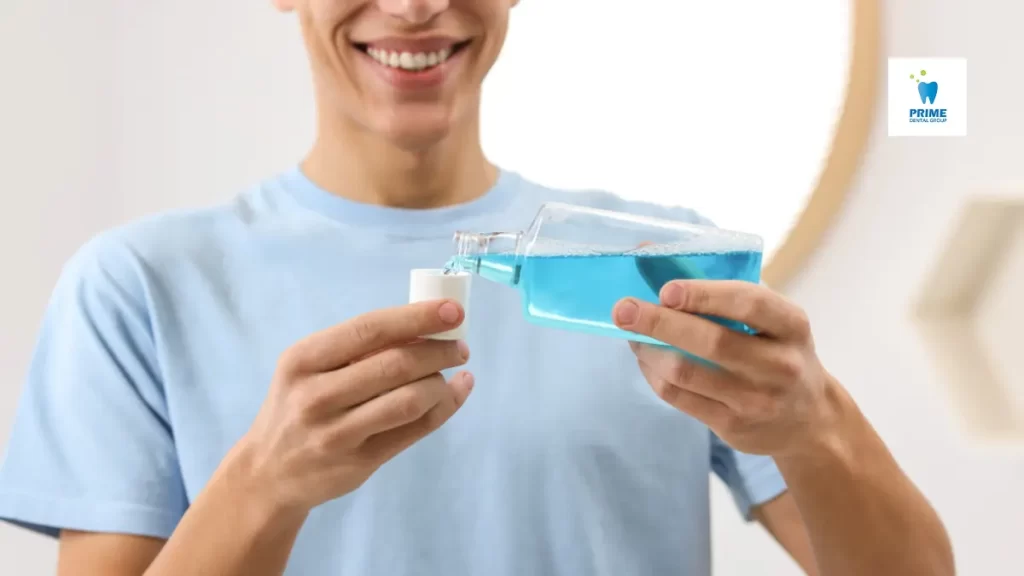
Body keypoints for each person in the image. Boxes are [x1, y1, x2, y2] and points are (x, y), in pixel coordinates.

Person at [0, 1, 954, 575]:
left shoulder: (659, 273)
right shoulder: (137, 290)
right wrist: (266, 482)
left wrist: (813, 423)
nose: (417, 6)